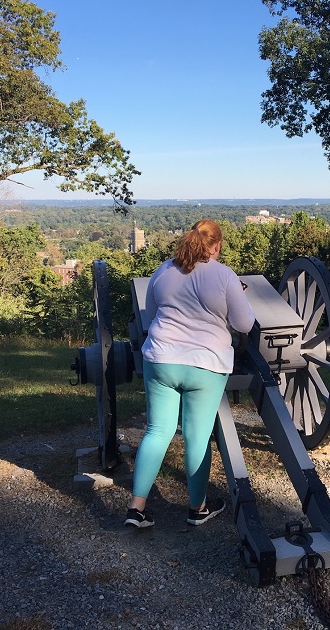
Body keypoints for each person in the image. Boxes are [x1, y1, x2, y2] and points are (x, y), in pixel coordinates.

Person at [125, 219, 256, 529]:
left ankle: (136, 508)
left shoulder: (163, 270)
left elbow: (151, 313)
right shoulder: (225, 276)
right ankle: (196, 509)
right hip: (206, 365)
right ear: (217, 246)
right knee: (197, 438)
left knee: (157, 431)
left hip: (161, 360)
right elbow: (244, 324)